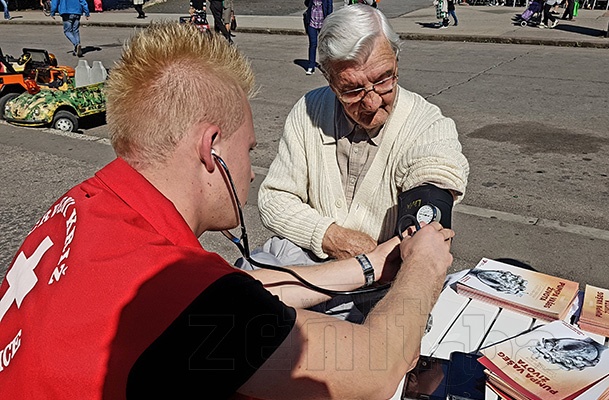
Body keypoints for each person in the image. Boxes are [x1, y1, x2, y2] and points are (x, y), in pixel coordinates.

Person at [0, 21, 456, 399]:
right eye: (250, 149)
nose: (252, 173)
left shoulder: (83, 204)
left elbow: (238, 290)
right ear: (211, 148)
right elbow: (375, 370)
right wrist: (425, 267)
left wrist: (366, 267)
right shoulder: (189, 298)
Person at [258, 5, 468, 263]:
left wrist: (428, 206)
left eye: (383, 80)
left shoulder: (428, 124)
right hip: (314, 273)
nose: (371, 102)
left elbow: (435, 177)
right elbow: (275, 198)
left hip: (384, 283)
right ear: (329, 80)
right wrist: (330, 236)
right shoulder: (309, 111)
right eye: (352, 90)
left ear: (396, 60)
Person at [303, 0, 332, 75]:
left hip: (323, 22)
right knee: (313, 44)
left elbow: (330, 8)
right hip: (312, 22)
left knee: (324, 45)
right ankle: (311, 66)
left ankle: (326, 66)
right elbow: (306, 3)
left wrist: (328, 22)